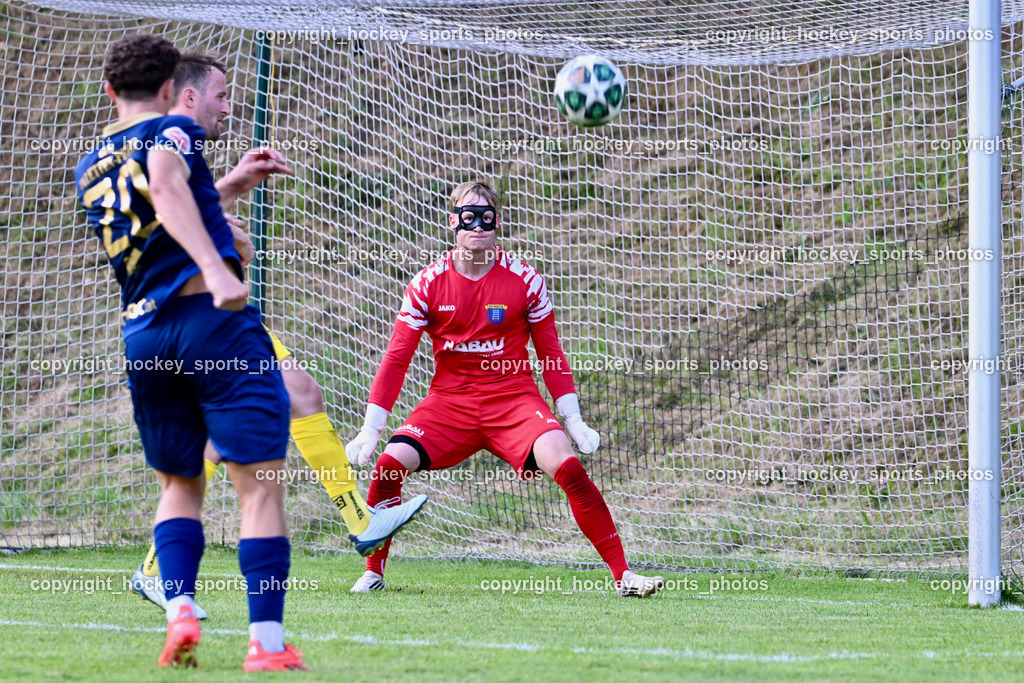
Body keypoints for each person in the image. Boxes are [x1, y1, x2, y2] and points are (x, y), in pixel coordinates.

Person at [128, 50, 427, 619]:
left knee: (302, 394)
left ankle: (360, 523)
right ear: (188, 96)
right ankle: (158, 574)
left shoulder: (183, 153)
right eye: (221, 92)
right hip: (196, 321)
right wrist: (223, 248)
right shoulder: (170, 139)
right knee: (224, 440)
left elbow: (193, 213)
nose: (228, 103)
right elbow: (168, 225)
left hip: (220, 320)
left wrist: (231, 198)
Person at [75, 34, 306, 670]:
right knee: (259, 485)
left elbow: (159, 214)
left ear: (109, 91)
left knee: (179, 482)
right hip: (210, 322)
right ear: (175, 92)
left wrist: (229, 185)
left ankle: (179, 608)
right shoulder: (173, 134)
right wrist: (218, 266)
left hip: (145, 335)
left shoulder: (92, 163)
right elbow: (168, 183)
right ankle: (266, 643)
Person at [345, 179, 664, 597]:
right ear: (452, 222)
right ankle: (374, 573)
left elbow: (551, 353)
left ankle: (624, 576)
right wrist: (371, 429)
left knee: (568, 466)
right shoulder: (427, 283)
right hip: (449, 406)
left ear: (496, 224)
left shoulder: (525, 280)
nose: (477, 225)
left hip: (513, 402)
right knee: (389, 463)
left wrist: (574, 419)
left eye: (486, 217)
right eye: (468, 216)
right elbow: (396, 359)